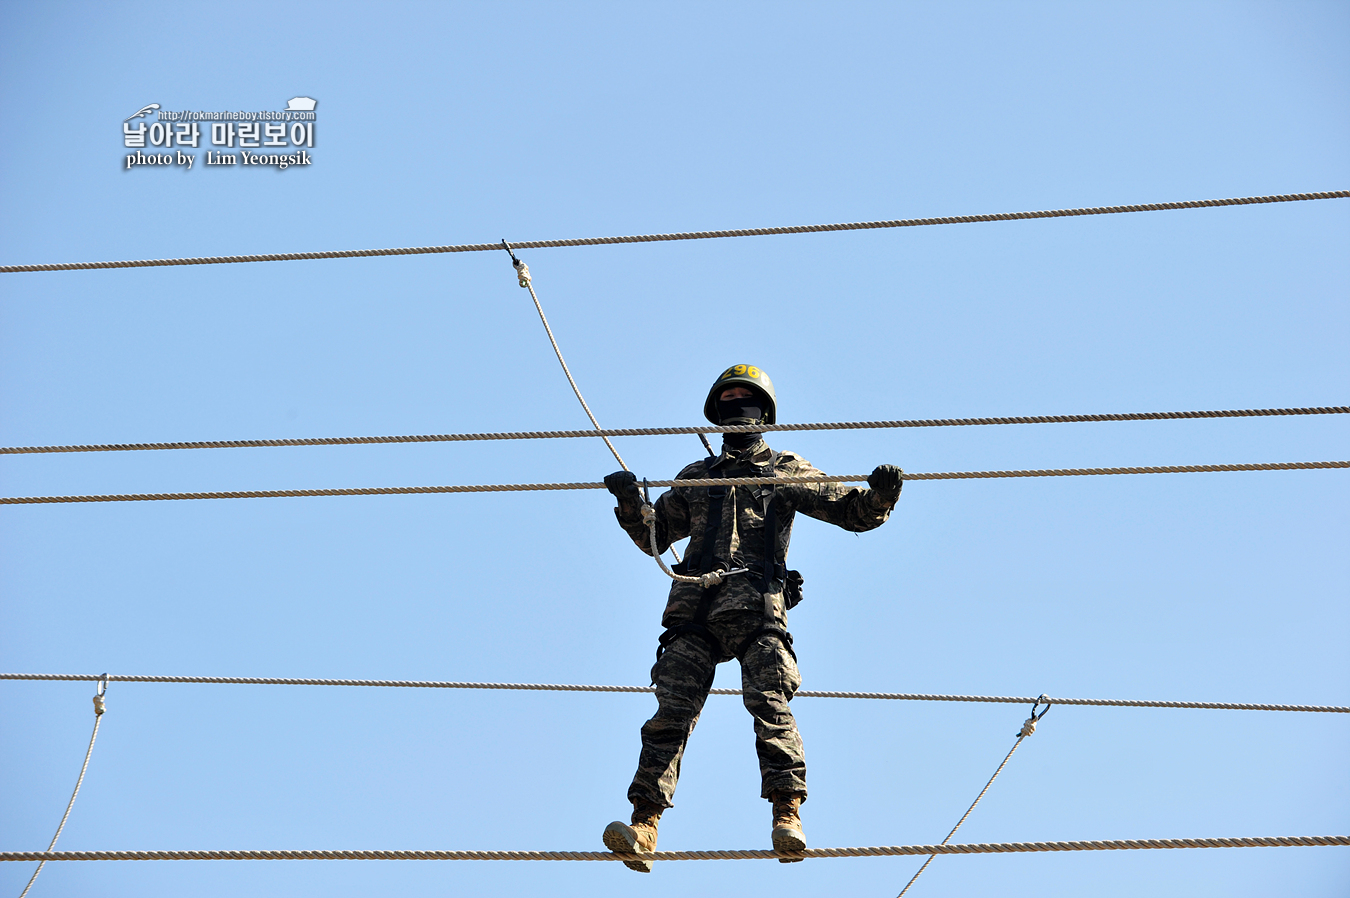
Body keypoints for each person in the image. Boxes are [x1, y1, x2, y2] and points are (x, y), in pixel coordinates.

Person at [600, 364, 902, 871]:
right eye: (728, 400)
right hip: (694, 610)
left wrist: (881, 498)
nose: (737, 407)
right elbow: (653, 537)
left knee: (770, 705)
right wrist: (631, 505)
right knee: (670, 714)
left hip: (757, 607)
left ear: (764, 413)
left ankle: (788, 813)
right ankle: (644, 825)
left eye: (746, 399)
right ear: (716, 414)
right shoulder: (696, 478)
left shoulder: (783, 469)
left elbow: (850, 510)